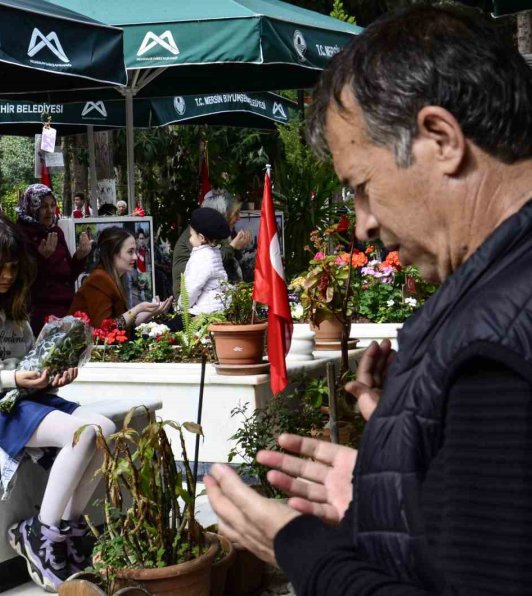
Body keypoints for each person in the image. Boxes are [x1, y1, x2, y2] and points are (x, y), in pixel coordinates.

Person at [205, 6, 532, 595]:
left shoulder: (493, 348)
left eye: (362, 188)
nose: (363, 224)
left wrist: (297, 547)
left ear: (441, 139)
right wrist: (398, 477)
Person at [0, 212, 115, 591]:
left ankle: (64, 529)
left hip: (22, 396)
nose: (8, 276)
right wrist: (10, 378)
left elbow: (29, 361)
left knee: (106, 429)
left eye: (13, 267)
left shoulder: (11, 308)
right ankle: (40, 533)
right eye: (0, 267)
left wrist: (53, 375)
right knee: (82, 435)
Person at [16, 184, 92, 335]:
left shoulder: (55, 231)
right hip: (38, 315)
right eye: (44, 206)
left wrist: (80, 257)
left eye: (52, 205)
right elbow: (21, 280)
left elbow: (68, 275)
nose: (50, 211)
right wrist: (41, 258)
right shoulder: (21, 235)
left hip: (66, 310)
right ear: (32, 207)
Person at [68, 227, 171, 330]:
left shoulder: (115, 277)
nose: (135, 257)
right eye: (130, 252)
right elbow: (106, 329)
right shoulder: (99, 279)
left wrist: (149, 312)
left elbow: (123, 325)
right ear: (113, 254)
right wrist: (138, 309)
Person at [172, 189, 251, 298]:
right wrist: (232, 247)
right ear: (222, 214)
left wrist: (236, 248)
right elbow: (210, 263)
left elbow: (230, 265)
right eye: (235, 213)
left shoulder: (217, 234)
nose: (238, 218)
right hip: (191, 304)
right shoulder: (196, 235)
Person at [179, 208, 230, 315]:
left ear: (201, 238)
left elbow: (191, 289)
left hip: (203, 312)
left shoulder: (201, 257)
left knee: (159, 329)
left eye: (192, 235)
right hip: (218, 308)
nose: (189, 239)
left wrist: (181, 306)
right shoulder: (214, 253)